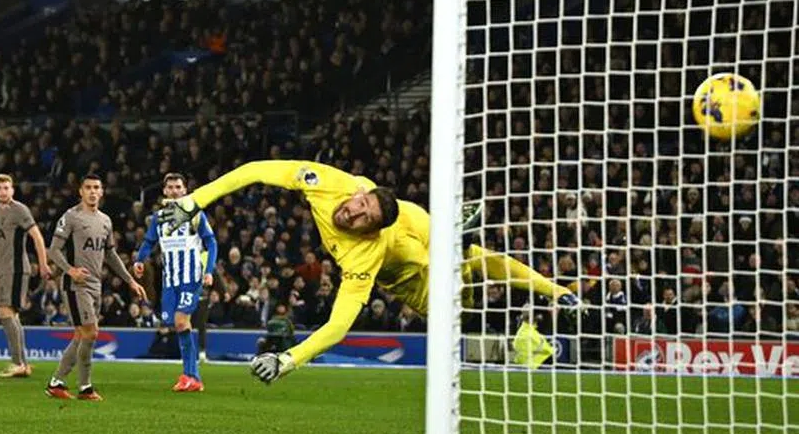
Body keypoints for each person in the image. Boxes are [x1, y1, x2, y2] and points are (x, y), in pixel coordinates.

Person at [157, 160, 576, 385]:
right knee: (465, 309)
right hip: (415, 270)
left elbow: (339, 325)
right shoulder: (328, 183)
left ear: (374, 228)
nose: (352, 214)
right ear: (360, 192)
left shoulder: (367, 252)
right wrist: (195, 201)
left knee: (472, 262)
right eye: (360, 204)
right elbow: (254, 171)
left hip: (418, 253)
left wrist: (288, 359)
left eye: (363, 219)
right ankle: (526, 319)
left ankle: (553, 296)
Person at [44, 174, 146, 401]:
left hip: (96, 284)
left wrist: (130, 280)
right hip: (75, 284)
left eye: (96, 188)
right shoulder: (71, 217)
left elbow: (110, 254)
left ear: (102, 192)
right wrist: (70, 270)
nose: (92, 191)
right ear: (80, 191)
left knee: (82, 335)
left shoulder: (105, 221)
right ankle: (85, 388)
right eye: (88, 187)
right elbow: (54, 250)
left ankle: (56, 383)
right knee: (91, 333)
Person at [133, 172, 216, 392]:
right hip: (170, 281)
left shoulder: (195, 214)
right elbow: (149, 241)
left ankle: (192, 376)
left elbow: (211, 242)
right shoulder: (159, 217)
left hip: (191, 278)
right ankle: (191, 376)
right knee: (175, 325)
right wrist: (140, 260)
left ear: (185, 190)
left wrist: (208, 271)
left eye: (178, 187)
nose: (174, 191)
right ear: (164, 191)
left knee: (181, 321)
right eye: (170, 187)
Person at [0, 174, 51, 378]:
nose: (3, 191)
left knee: (5, 313)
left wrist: (43, 264)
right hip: (3, 269)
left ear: (12, 190)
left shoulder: (20, 210)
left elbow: (37, 237)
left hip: (16, 269)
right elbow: (0, 242)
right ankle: (22, 363)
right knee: (12, 315)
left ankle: (18, 363)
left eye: (6, 188)